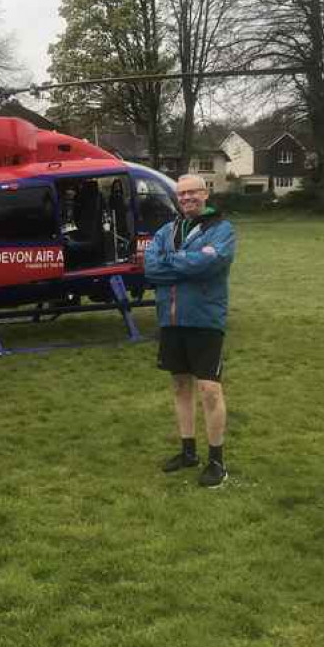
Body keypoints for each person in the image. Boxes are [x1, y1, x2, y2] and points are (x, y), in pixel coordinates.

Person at [144, 175, 236, 488]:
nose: (186, 198)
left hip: (205, 320)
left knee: (210, 390)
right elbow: (150, 268)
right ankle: (187, 453)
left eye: (192, 192)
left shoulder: (221, 229)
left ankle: (216, 462)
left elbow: (210, 264)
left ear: (205, 193)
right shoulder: (167, 230)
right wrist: (185, 263)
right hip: (171, 320)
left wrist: (172, 263)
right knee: (180, 386)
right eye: (181, 194)